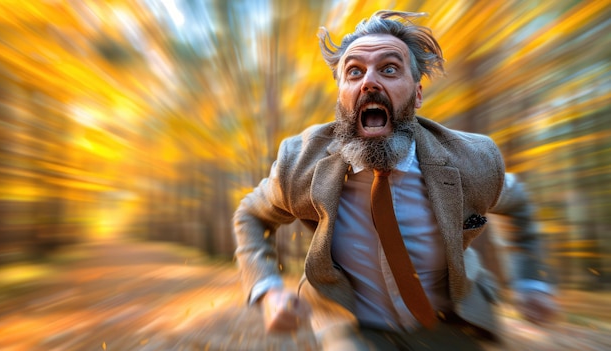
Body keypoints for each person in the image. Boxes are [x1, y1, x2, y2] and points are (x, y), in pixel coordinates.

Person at [233, 10, 556, 350]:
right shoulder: (300, 164)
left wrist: (532, 281)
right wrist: (267, 290)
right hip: (356, 326)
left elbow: (517, 203)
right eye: (354, 72)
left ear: (417, 95)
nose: (369, 82)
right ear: (341, 93)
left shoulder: (472, 162)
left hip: (449, 321)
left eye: (389, 69)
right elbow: (251, 216)